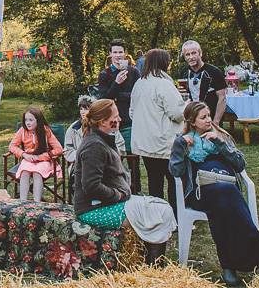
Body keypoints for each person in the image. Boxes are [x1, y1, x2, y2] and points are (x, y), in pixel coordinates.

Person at [170, 102, 259, 286]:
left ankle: (229, 268)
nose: (209, 120)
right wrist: (180, 146)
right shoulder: (183, 139)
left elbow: (239, 165)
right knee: (226, 193)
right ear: (192, 122)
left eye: (209, 115)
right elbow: (175, 172)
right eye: (203, 117)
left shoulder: (220, 135)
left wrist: (219, 142)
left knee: (222, 207)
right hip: (200, 193)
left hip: (226, 195)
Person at [74, 99, 171, 265]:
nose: (119, 119)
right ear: (103, 121)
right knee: (159, 214)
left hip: (106, 203)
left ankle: (152, 265)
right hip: (93, 208)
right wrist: (118, 195)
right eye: (116, 117)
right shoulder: (94, 146)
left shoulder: (102, 139)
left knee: (162, 207)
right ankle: (154, 267)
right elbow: (91, 186)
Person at [130, 48, 185, 207]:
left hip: (145, 142)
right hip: (164, 142)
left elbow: (132, 112)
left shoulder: (139, 83)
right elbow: (176, 113)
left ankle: (158, 216)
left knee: (155, 181)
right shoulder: (164, 84)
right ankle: (176, 216)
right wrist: (187, 105)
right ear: (163, 63)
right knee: (174, 180)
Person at [8, 106, 63, 201]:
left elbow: (59, 149)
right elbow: (12, 146)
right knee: (25, 173)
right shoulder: (23, 131)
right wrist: (23, 154)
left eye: (31, 120)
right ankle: (23, 202)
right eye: (26, 120)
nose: (27, 123)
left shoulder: (46, 131)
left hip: (43, 160)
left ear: (38, 120)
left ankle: (37, 203)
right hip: (28, 159)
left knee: (37, 173)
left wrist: (41, 157)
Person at [97, 39, 140, 149]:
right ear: (110, 54)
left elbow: (138, 95)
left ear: (125, 53)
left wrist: (118, 96)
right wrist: (116, 83)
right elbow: (104, 99)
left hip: (130, 118)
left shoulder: (134, 72)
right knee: (113, 152)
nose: (118, 55)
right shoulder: (104, 74)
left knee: (132, 153)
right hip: (111, 119)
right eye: (115, 52)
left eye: (120, 52)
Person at [180, 40, 227, 125]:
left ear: (200, 53)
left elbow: (222, 98)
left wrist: (216, 122)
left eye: (194, 53)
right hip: (192, 121)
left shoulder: (214, 72)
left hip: (211, 119)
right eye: (188, 54)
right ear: (185, 57)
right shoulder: (184, 73)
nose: (191, 57)